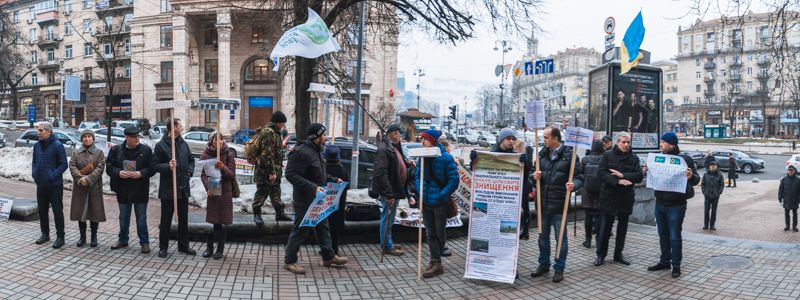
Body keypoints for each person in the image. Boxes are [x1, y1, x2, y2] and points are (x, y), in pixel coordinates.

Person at [284, 124, 348, 274]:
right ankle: (290, 261)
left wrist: (333, 179)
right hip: (305, 199)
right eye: (324, 135)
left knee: (322, 226)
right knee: (301, 229)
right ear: (316, 137)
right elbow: (290, 174)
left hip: (318, 197)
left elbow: (319, 174)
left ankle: (328, 256)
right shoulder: (301, 152)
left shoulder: (317, 151)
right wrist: (313, 188)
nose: (325, 138)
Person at [530, 127, 584, 283]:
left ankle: (559, 268)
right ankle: (543, 264)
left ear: (555, 138)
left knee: (561, 239)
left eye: (546, 137)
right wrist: (534, 176)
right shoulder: (542, 153)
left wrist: (574, 185)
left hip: (560, 204)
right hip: (543, 204)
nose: (544, 140)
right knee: (542, 237)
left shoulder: (570, 155)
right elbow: (531, 175)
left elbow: (580, 176)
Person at [643, 132, 699, 279]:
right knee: (663, 235)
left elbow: (696, 180)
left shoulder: (684, 159)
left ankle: (676, 266)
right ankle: (664, 261)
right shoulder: (657, 159)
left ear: (671, 144)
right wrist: (646, 171)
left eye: (663, 142)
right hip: (660, 203)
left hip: (676, 205)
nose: (660, 144)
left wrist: (690, 176)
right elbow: (653, 176)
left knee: (674, 236)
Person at [413, 129, 459, 278]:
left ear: (433, 141)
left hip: (439, 203)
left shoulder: (446, 158)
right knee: (430, 233)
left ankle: (437, 257)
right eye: (422, 139)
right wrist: (421, 191)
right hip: (426, 202)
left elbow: (454, 180)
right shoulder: (422, 157)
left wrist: (441, 195)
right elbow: (417, 176)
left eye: (425, 139)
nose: (422, 142)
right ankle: (436, 262)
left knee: (439, 233)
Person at [594, 132, 643, 267]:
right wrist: (618, 181)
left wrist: (623, 175)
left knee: (622, 228)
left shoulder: (634, 158)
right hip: (609, 196)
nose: (626, 145)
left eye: (628, 142)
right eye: (623, 142)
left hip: (625, 197)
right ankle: (601, 255)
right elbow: (601, 173)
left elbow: (639, 175)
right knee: (605, 228)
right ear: (617, 142)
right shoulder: (608, 155)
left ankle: (618, 254)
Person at [107, 126, 154, 254]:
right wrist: (119, 172)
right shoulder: (116, 150)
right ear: (126, 138)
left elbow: (152, 168)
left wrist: (141, 173)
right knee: (123, 217)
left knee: (141, 218)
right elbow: (109, 167)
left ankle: (145, 243)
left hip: (140, 190)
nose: (137, 138)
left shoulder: (146, 150)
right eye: (134, 137)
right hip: (123, 190)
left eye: (138, 136)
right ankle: (122, 240)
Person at [153, 118, 196, 258]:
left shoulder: (183, 143)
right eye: (180, 125)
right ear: (174, 127)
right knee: (166, 220)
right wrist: (167, 166)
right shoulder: (161, 145)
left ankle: (183, 246)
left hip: (183, 187)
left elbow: (191, 160)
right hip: (168, 189)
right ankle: (163, 247)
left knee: (183, 219)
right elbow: (154, 166)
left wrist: (189, 172)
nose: (182, 127)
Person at [371, 124, 414, 257]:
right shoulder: (384, 149)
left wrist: (407, 164)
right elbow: (381, 173)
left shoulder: (392, 147)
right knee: (387, 217)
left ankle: (388, 241)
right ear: (393, 134)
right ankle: (386, 245)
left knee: (390, 217)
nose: (400, 136)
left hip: (394, 188)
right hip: (390, 191)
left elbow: (395, 165)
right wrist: (388, 194)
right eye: (399, 134)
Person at [32, 122, 68, 248]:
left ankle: (60, 237)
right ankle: (45, 234)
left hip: (55, 185)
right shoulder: (36, 146)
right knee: (42, 210)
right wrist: (34, 174)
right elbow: (34, 162)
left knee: (57, 211)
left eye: (41, 130)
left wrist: (52, 175)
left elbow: (63, 165)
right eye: (38, 130)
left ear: (49, 132)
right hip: (41, 184)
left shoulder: (57, 146)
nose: (38, 132)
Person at [68, 129, 106, 248]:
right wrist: (80, 178)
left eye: (89, 136)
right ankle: (82, 237)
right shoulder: (76, 152)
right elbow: (72, 165)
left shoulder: (99, 152)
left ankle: (94, 237)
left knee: (94, 212)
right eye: (85, 137)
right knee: (81, 212)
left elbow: (100, 168)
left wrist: (88, 179)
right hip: (80, 187)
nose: (87, 138)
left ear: (93, 138)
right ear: (81, 139)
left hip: (94, 187)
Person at [200, 132, 235, 259]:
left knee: (223, 220)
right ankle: (209, 247)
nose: (218, 142)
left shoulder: (229, 153)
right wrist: (207, 186)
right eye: (215, 140)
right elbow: (203, 174)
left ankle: (220, 248)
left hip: (225, 189)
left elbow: (231, 174)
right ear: (211, 141)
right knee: (214, 220)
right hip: (213, 187)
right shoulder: (206, 154)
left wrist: (222, 167)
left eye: (221, 139)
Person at [253, 111, 291, 225]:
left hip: (275, 169)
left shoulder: (276, 132)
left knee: (275, 192)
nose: (283, 125)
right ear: (277, 122)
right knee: (262, 192)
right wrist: (272, 172)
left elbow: (275, 150)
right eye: (282, 123)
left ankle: (279, 213)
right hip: (265, 171)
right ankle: (257, 214)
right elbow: (266, 154)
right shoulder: (269, 132)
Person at [323, 144, 349, 255]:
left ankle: (326, 249)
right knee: (335, 228)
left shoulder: (323, 169)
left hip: (325, 203)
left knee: (325, 227)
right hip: (338, 204)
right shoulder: (342, 169)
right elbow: (347, 186)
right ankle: (335, 249)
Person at [580, 140, 605, 248]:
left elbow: (581, 175)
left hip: (587, 192)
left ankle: (588, 240)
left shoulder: (585, 159)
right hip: (602, 192)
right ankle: (599, 240)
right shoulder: (605, 158)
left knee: (588, 217)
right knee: (599, 217)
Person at [513, 138, 533, 240]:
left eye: (516, 149)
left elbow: (527, 172)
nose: (514, 150)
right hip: (517, 186)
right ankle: (522, 230)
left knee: (525, 209)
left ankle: (525, 231)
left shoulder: (526, 159)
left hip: (524, 186)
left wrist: (525, 163)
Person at [701, 161, 724, 230]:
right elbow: (703, 184)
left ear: (716, 166)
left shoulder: (719, 175)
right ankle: (706, 225)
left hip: (715, 196)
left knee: (714, 211)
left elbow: (721, 185)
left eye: (714, 165)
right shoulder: (705, 174)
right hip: (707, 196)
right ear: (709, 166)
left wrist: (718, 193)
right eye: (711, 165)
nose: (712, 166)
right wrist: (704, 192)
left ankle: (712, 225)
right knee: (706, 211)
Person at [779, 165, 800, 232]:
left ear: (794, 171)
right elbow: (780, 189)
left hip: (795, 199)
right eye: (789, 170)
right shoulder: (784, 179)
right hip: (786, 199)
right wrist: (780, 198)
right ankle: (787, 226)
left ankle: (794, 227)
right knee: (786, 213)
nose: (791, 171)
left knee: (795, 214)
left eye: (792, 170)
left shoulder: (798, 180)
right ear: (788, 171)